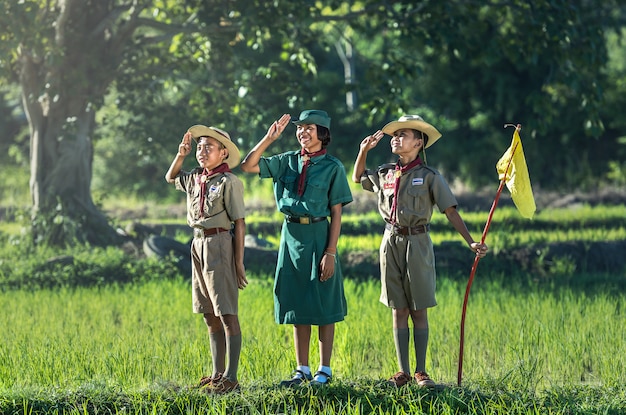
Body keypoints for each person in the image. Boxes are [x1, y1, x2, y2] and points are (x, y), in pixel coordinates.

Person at [351, 115, 488, 387]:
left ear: (418, 143)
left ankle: (421, 371)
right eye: (395, 134)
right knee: (397, 308)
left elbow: (450, 210)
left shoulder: (429, 177)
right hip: (390, 241)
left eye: (404, 135)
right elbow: (357, 178)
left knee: (419, 308)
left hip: (418, 242)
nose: (396, 138)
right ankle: (402, 372)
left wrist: (470, 241)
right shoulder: (385, 173)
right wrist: (363, 151)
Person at [239, 110, 353, 387]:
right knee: (296, 301)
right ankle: (301, 369)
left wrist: (330, 252)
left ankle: (324, 370)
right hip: (290, 235)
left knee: (324, 300)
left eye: (309, 128)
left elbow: (336, 213)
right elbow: (248, 165)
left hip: (319, 233)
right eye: (300, 128)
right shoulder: (287, 161)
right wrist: (269, 138)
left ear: (322, 134)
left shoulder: (333, 167)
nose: (302, 132)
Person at [165, 124, 248, 394]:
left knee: (226, 313)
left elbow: (240, 223)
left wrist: (238, 262)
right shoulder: (195, 178)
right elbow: (171, 177)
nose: (202, 151)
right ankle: (216, 373)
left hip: (220, 243)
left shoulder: (229, 182)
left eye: (208, 147)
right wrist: (181, 154)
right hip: (197, 244)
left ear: (223, 153)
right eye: (200, 147)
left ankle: (231, 377)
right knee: (208, 313)